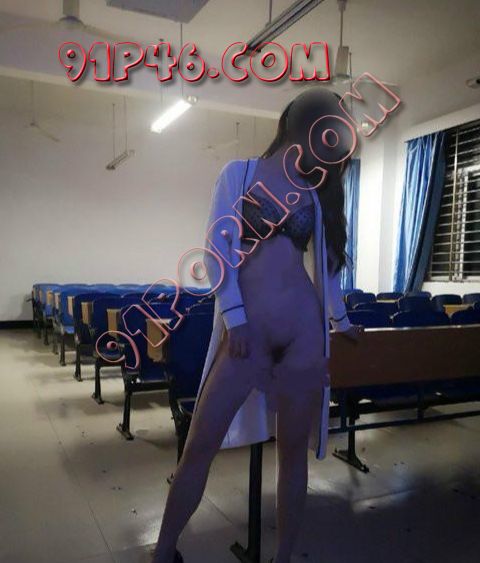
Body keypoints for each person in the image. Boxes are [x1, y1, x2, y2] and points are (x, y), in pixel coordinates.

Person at [152, 88, 362, 563]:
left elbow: (327, 270)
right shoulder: (239, 173)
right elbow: (216, 252)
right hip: (247, 335)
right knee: (199, 447)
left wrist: (342, 321)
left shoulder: (316, 194)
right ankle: (163, 551)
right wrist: (236, 319)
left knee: (292, 456)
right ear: (295, 126)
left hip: (304, 336)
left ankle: (282, 557)